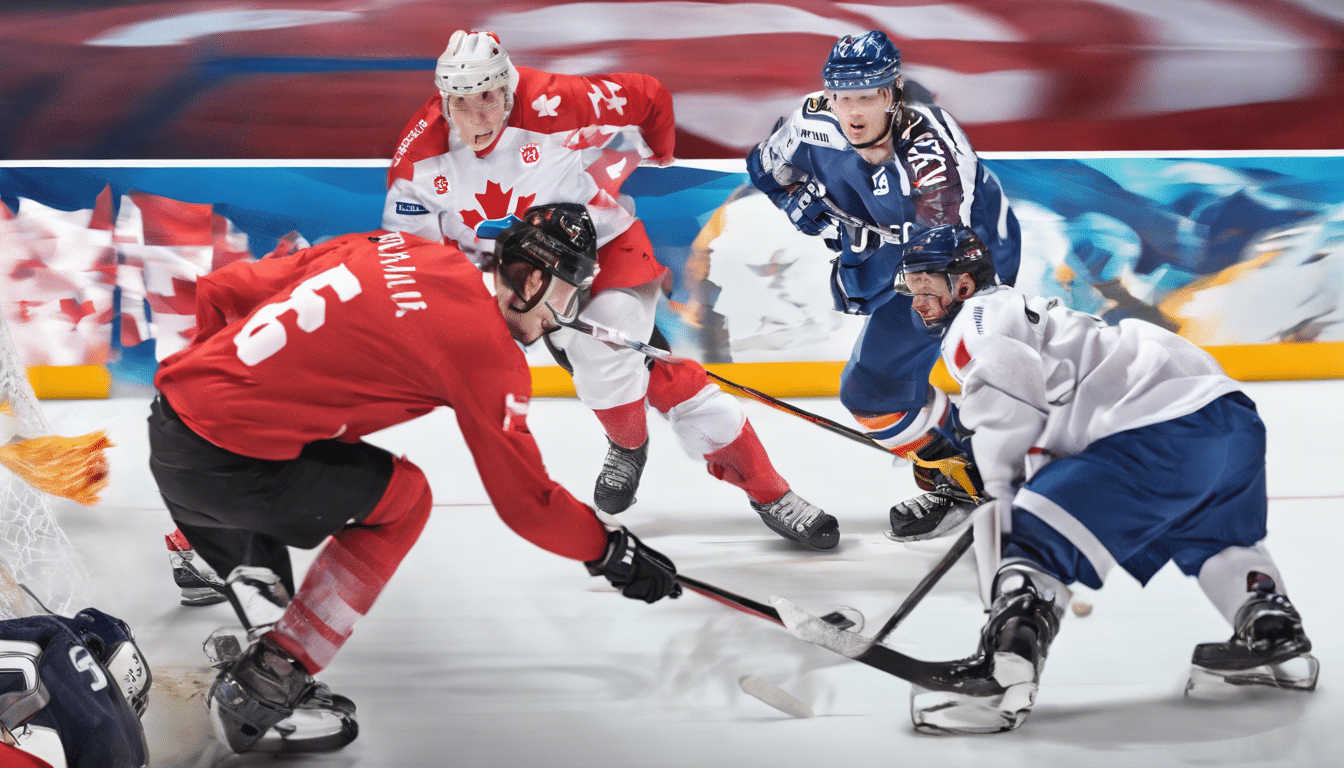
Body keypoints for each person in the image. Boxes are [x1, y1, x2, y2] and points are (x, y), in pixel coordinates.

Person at [147, 204, 684, 755]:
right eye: (567, 297)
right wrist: (609, 550)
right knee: (405, 499)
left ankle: (214, 553)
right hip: (230, 471)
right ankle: (263, 688)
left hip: (168, 427)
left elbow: (221, 288)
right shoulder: (485, 351)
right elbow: (527, 503)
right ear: (532, 278)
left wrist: (209, 404)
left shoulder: (400, 247)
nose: (562, 319)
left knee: (313, 441)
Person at [381, 30, 837, 550]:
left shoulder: (552, 100)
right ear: (444, 102)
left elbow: (647, 94)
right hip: (518, 279)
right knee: (637, 372)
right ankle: (631, 439)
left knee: (606, 353)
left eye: (488, 97)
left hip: (603, 247)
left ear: (507, 86)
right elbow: (414, 259)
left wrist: (662, 150)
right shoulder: (417, 159)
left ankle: (763, 488)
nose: (478, 116)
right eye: (462, 103)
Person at [890, 224, 1318, 734]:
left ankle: (1001, 678)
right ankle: (1271, 634)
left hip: (1161, 429)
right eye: (911, 289)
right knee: (1217, 539)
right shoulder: (1033, 315)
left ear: (962, 284)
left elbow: (1007, 373)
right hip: (1226, 418)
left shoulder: (978, 317)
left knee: (1024, 535)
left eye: (926, 287)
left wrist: (999, 483)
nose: (917, 301)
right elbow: (1050, 403)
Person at [746, 30, 1020, 542]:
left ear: (892, 94)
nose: (853, 112)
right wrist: (799, 204)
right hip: (898, 247)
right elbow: (763, 166)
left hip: (969, 257)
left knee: (914, 380)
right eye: (843, 97)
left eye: (868, 96)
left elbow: (942, 255)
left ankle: (990, 463)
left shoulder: (930, 154)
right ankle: (967, 464)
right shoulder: (813, 117)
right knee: (877, 392)